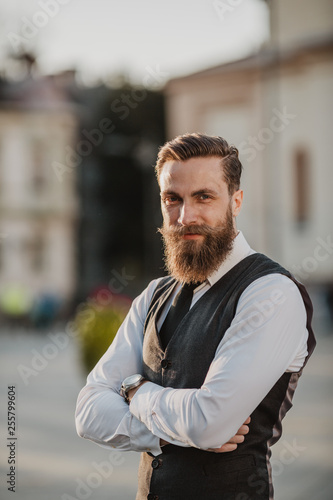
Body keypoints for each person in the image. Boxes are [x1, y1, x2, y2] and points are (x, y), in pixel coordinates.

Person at [75, 133, 316, 500]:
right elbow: (89, 412)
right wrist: (161, 433)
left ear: (235, 201)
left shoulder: (270, 293)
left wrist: (136, 391)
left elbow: (210, 424)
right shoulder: (153, 295)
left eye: (204, 196)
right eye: (173, 199)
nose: (185, 217)